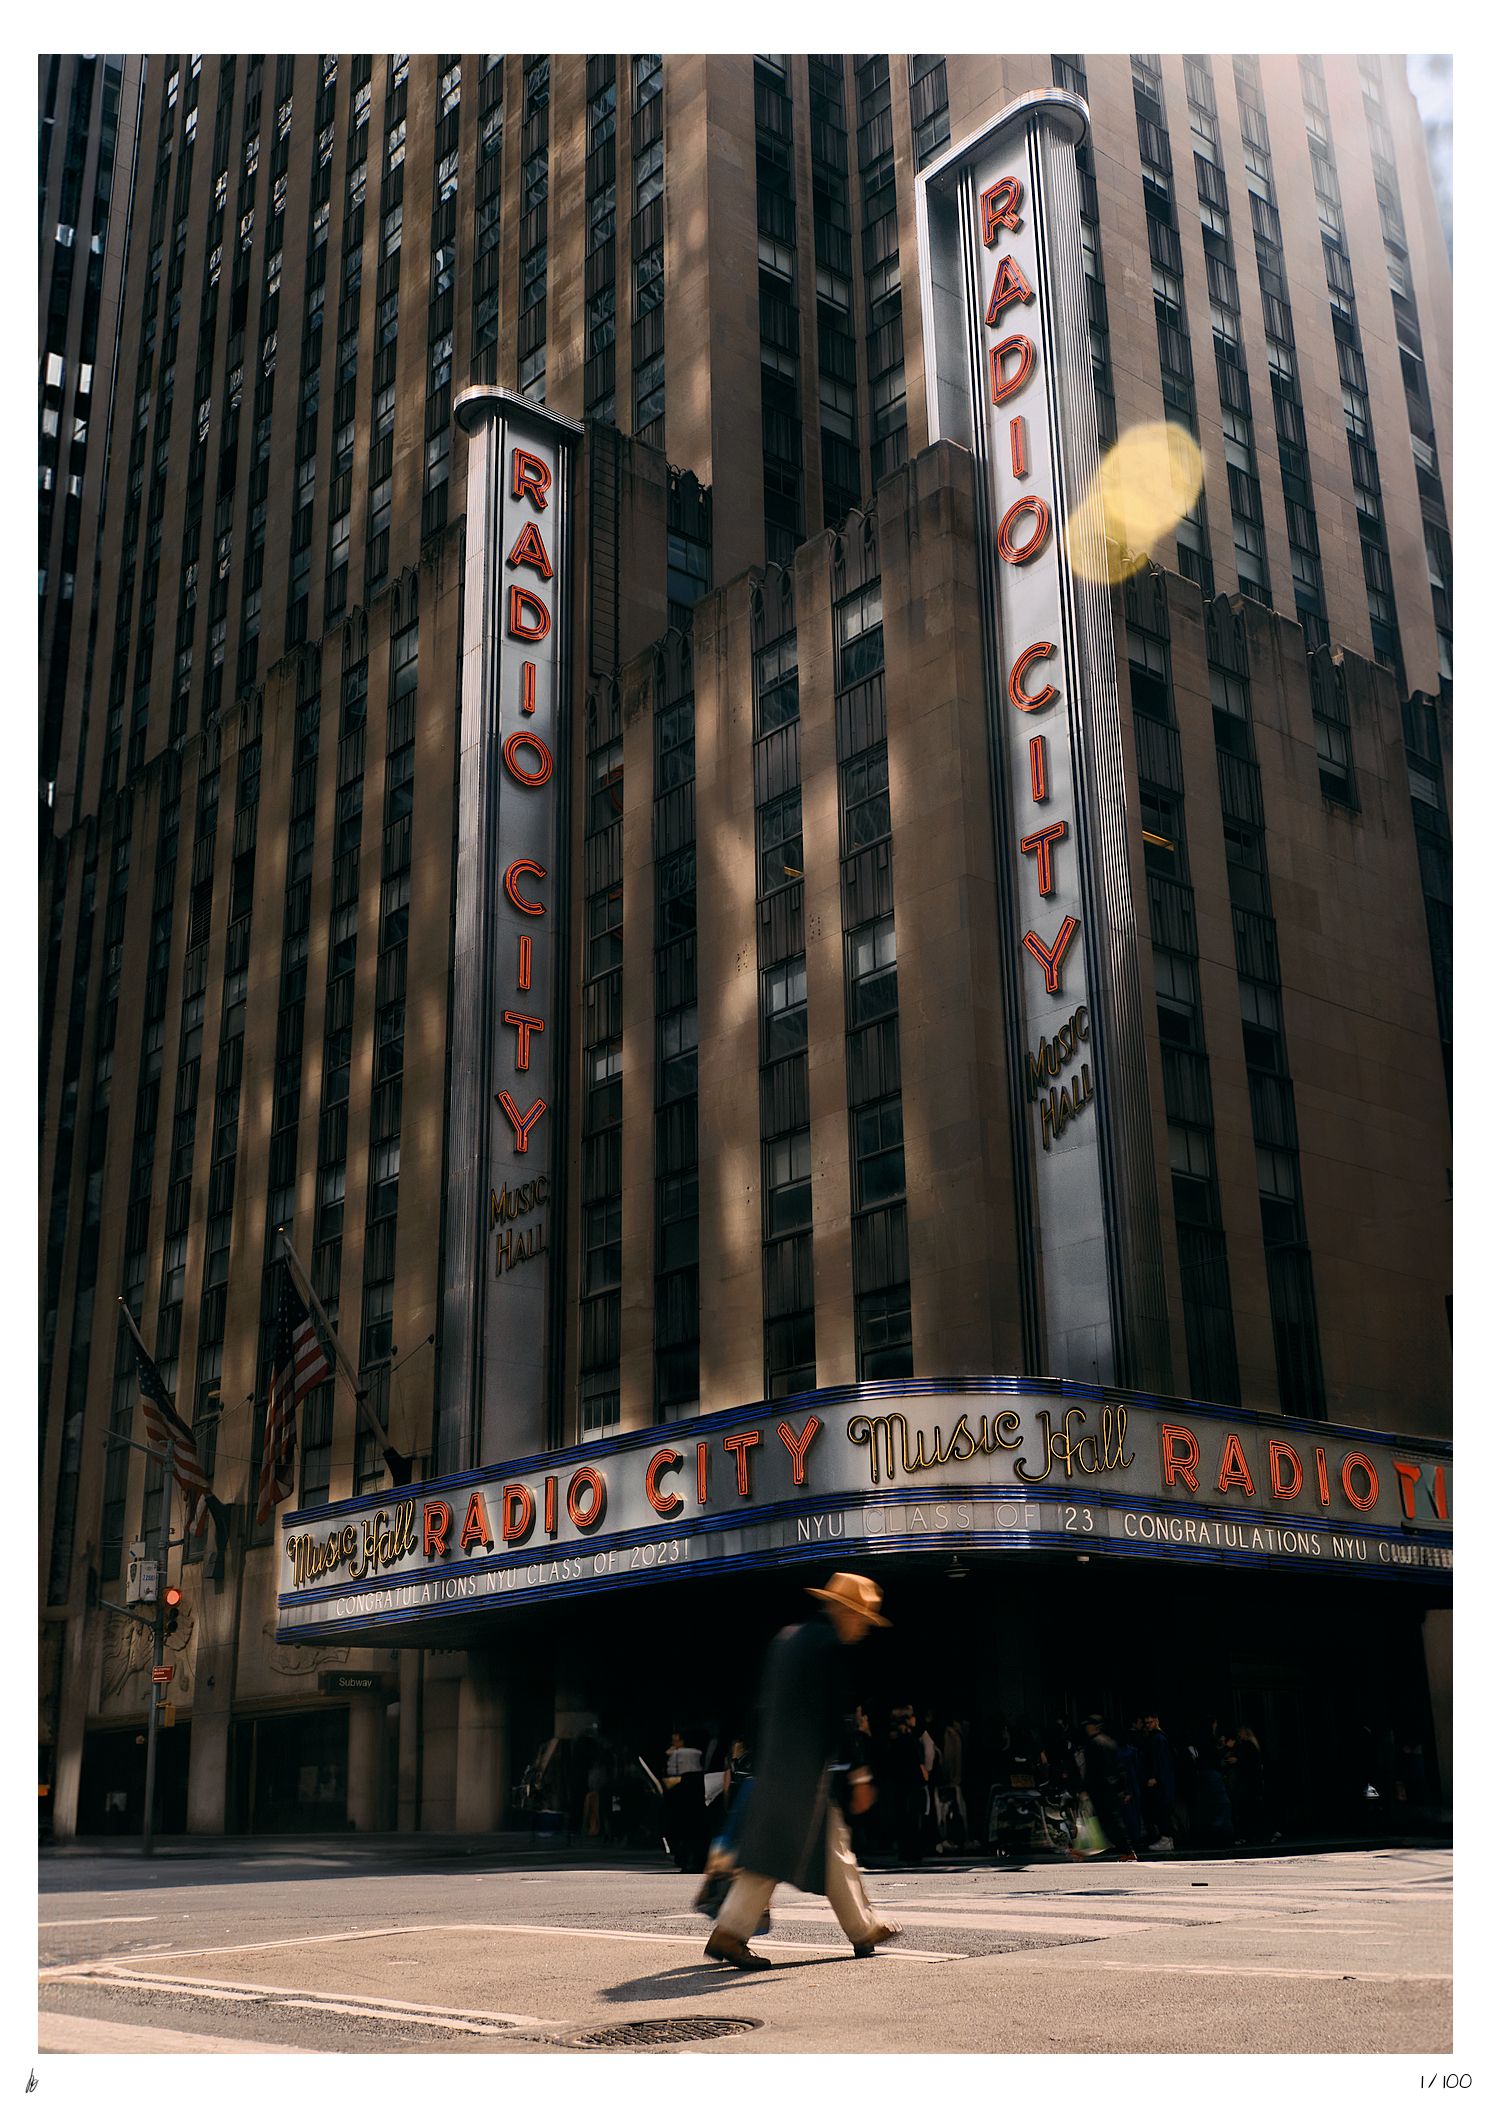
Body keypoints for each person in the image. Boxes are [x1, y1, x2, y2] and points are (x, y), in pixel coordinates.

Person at [704, 1572, 901, 1971]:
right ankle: (730, 1932)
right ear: (845, 1612)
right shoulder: (827, 1645)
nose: (862, 1628)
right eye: (861, 1618)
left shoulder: (788, 1639)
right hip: (800, 1773)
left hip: (779, 1766)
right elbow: (837, 1716)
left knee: (834, 1848)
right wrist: (859, 1773)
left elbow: (761, 1707)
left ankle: (863, 1928)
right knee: (772, 1856)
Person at [1078, 1713, 1138, 1861]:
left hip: (1098, 1788)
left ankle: (1123, 1849)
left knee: (1105, 1820)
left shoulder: (1093, 1744)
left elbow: (1091, 1770)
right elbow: (1119, 1768)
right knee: (1114, 1819)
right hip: (1111, 1787)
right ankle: (1125, 1849)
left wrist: (1084, 1788)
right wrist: (1123, 1789)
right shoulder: (1110, 1743)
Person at [664, 1727, 708, 1872]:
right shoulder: (698, 1753)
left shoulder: (677, 1753)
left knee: (682, 1826)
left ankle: (685, 1858)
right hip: (697, 1789)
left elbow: (671, 1772)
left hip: (682, 1787)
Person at [1135, 1711, 1177, 1852]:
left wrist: (1154, 1777)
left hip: (1160, 1782)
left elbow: (1159, 1761)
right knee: (1161, 1809)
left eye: (1150, 1722)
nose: (1148, 1725)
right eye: (1146, 1723)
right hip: (1162, 1781)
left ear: (1156, 1721)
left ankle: (1165, 1838)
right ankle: (1166, 1838)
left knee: (1161, 1809)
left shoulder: (1158, 1739)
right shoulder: (1158, 1738)